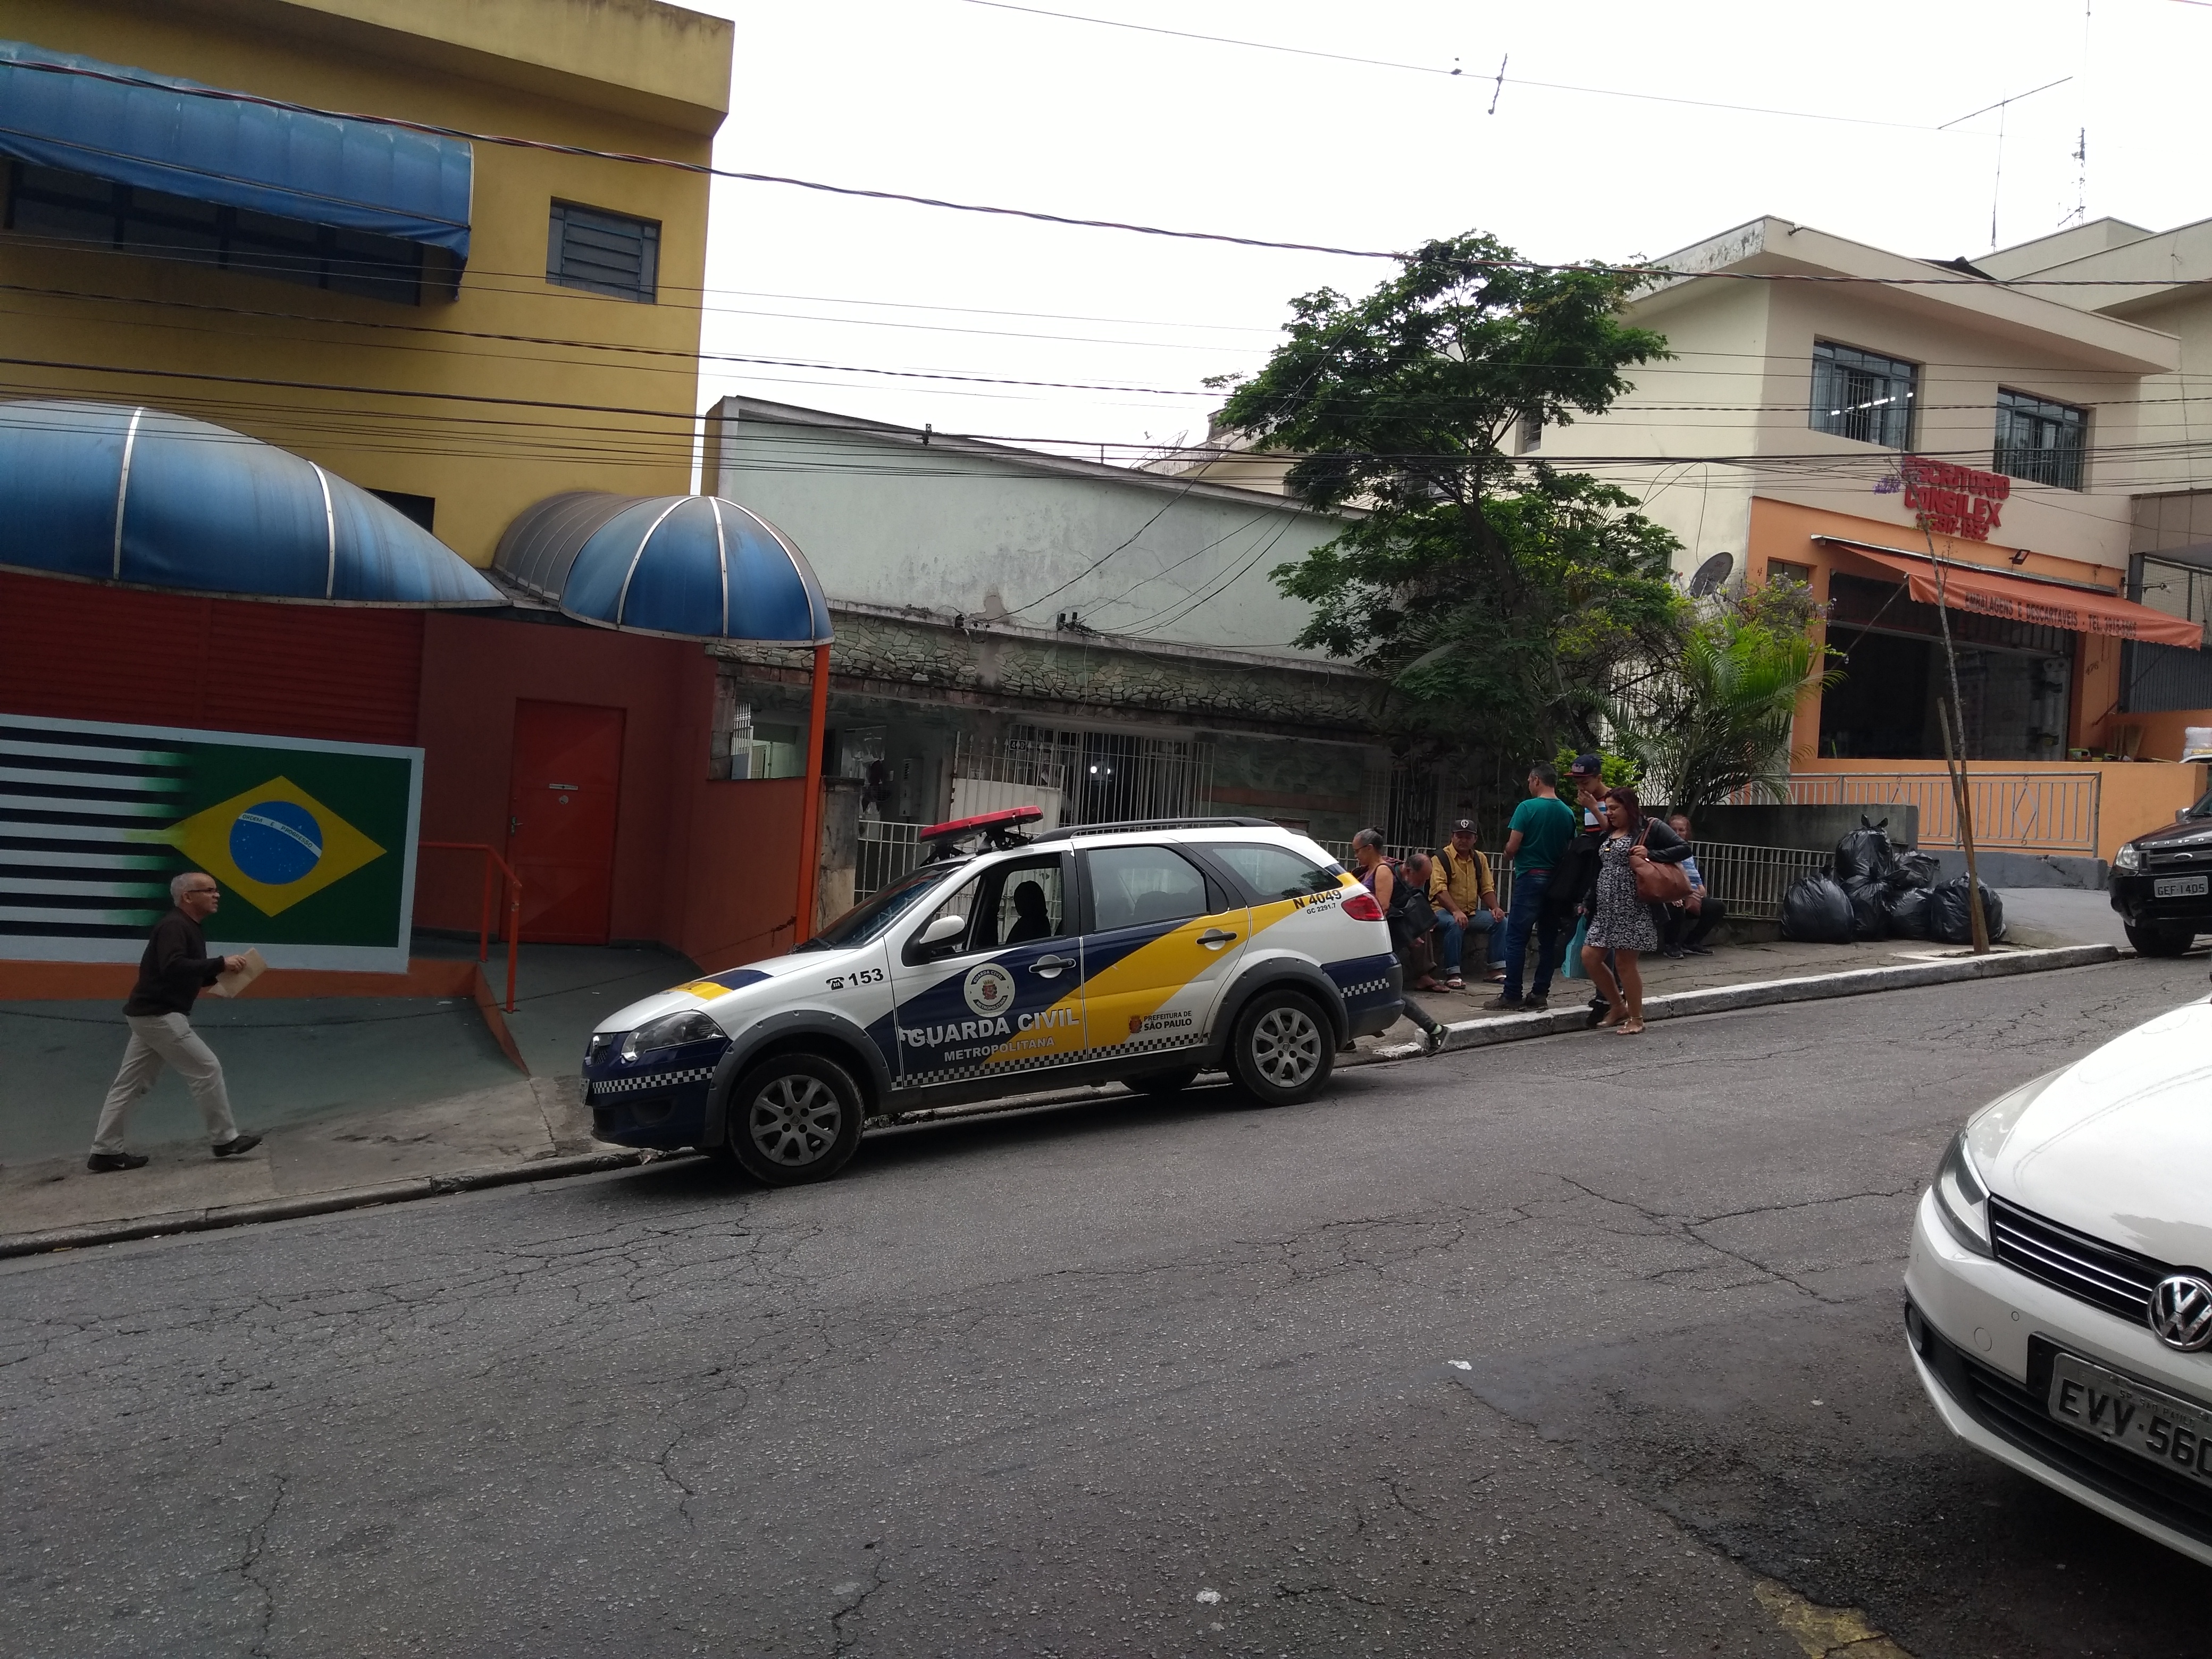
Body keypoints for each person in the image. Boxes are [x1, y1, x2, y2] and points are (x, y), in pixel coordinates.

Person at [87, 870, 262, 1172]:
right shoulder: (175, 926)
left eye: (216, 890)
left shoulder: (186, 926)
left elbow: (186, 972)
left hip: (149, 1014)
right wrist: (220, 963)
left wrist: (222, 975)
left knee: (130, 1085)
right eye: (209, 890)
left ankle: (105, 1152)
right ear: (187, 897)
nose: (217, 895)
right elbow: (173, 966)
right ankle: (225, 1140)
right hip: (160, 1015)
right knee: (206, 1069)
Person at [1580, 787, 1691, 1035]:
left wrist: (1651, 853)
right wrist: (1588, 900)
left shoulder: (1649, 827)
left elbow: (1683, 849)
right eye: (1607, 809)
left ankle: (1636, 1018)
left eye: (1614, 808)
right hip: (1606, 909)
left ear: (1628, 807)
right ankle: (1618, 1006)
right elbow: (1600, 870)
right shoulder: (1610, 833)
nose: (1609, 813)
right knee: (1589, 956)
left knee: (1625, 964)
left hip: (1634, 908)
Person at [1484, 763, 1578, 1012]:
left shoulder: (1526, 808)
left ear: (1537, 780)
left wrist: (1507, 853)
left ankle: (1512, 994)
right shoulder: (1568, 813)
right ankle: (1540, 993)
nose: (1528, 784)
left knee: (1516, 937)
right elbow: (1569, 849)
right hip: (1556, 882)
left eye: (1529, 780)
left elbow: (1513, 846)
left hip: (1530, 876)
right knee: (1548, 938)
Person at [1351, 828, 1446, 1051]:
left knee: (1386, 991)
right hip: (1367, 941)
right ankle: (1348, 1038)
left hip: (1377, 943)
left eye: (1358, 851)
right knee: (1364, 989)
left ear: (1370, 848)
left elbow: (1382, 908)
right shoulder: (1369, 870)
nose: (1356, 855)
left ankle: (1435, 1030)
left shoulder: (1382, 871)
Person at [1428, 818, 1503, 990]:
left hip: (1471, 913)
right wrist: (1455, 911)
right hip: (1442, 912)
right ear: (1452, 837)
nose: (1463, 840)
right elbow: (1439, 890)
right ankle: (1453, 973)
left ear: (1475, 839)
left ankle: (1496, 970)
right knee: (1455, 924)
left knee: (1501, 922)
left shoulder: (1480, 858)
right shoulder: (1440, 857)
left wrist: (1495, 908)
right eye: (1459, 836)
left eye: (1468, 837)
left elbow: (1486, 887)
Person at [1660, 814, 1725, 957]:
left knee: (1717, 907)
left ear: (1687, 833)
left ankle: (1691, 942)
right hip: (1670, 896)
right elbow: (1661, 874)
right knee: (1677, 908)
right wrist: (1672, 895)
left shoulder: (1686, 850)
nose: (1678, 833)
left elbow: (1692, 871)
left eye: (1681, 830)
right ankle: (1671, 945)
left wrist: (1700, 886)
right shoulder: (1662, 849)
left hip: (1691, 894)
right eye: (1674, 830)